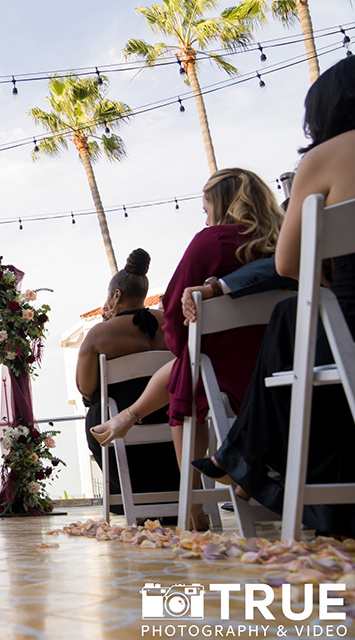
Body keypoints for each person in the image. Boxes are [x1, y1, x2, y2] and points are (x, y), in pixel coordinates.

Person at [198, 56, 355, 538]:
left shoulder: (327, 156)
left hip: (349, 328)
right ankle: (243, 462)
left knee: (296, 318)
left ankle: (247, 463)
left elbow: (288, 265)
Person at [90, 168, 283, 529]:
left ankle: (192, 506)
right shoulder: (285, 243)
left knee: (189, 370)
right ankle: (130, 417)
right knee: (190, 368)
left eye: (207, 207)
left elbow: (177, 326)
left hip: (226, 379)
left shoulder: (211, 243)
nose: (205, 216)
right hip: (290, 371)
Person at [75, 249, 180, 516]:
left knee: (96, 415)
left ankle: (127, 496)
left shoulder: (99, 335)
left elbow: (85, 388)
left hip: (120, 421)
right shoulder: (168, 324)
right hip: (171, 415)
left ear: (117, 296)